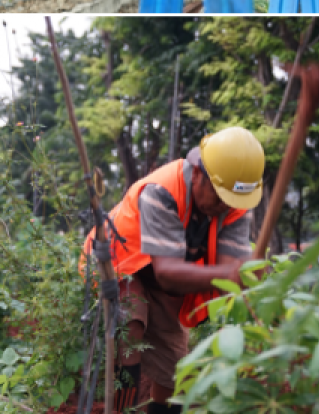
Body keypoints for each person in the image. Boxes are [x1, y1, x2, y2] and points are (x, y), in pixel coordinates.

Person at [80, 128, 264, 414]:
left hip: (166, 277)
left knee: (176, 367)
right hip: (119, 265)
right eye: (219, 197)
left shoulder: (234, 203)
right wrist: (231, 274)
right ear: (199, 173)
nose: (224, 207)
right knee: (131, 324)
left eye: (231, 200)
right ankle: (123, 410)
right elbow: (169, 272)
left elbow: (232, 268)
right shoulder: (162, 191)